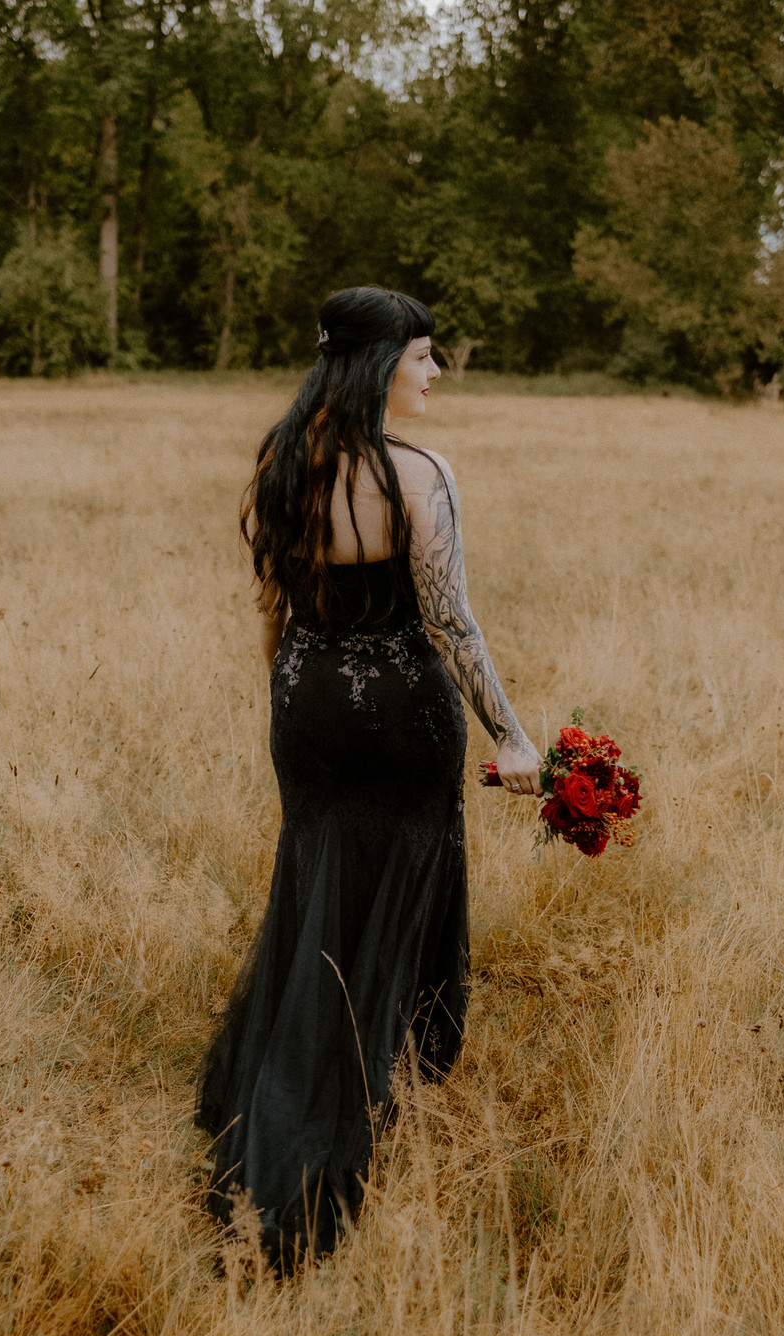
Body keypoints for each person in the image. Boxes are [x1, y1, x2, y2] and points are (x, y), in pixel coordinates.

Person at [195, 286, 542, 1273]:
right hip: (396, 711)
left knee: (317, 892)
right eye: (423, 355)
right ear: (380, 361)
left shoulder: (281, 455)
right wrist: (515, 741)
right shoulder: (418, 474)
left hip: (303, 704)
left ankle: (272, 1093)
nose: (433, 373)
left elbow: (275, 602)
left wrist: (291, 699)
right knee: (391, 896)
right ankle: (331, 1131)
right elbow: (448, 622)